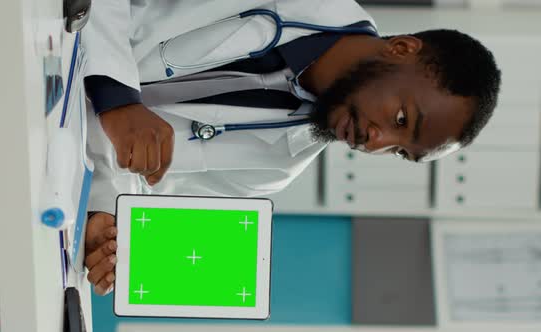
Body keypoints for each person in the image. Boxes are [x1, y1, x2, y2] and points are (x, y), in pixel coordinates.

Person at [81, 0, 501, 295]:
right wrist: (116, 97)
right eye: (402, 119)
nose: (377, 142)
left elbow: (146, 190)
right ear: (402, 48)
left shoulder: (278, 166)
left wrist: (107, 220)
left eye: (400, 151)